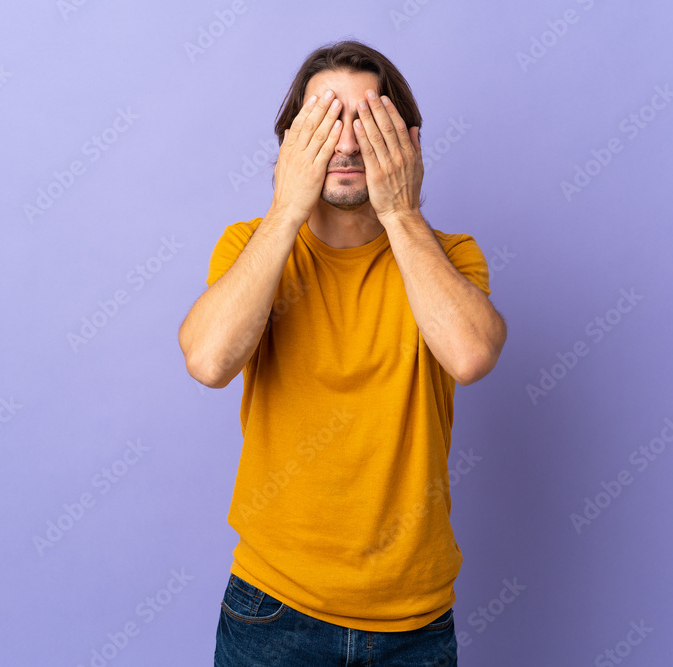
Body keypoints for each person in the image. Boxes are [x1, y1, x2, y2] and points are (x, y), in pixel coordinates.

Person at [179, 38, 506, 666]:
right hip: (273, 608)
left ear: (407, 140)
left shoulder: (452, 256)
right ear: (290, 141)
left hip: (415, 619)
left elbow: (470, 356)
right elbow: (209, 362)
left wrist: (401, 214)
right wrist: (285, 210)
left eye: (368, 120)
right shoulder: (250, 246)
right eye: (326, 120)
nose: (349, 143)